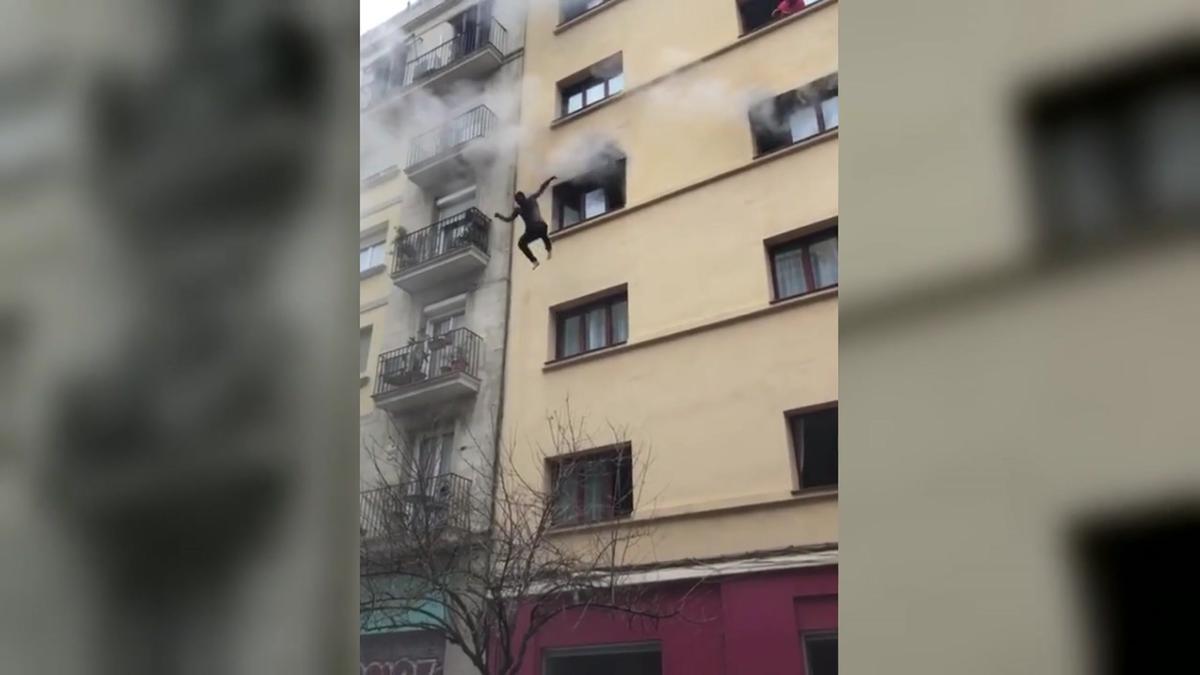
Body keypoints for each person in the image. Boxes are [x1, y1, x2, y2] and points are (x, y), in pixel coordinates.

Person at [495, 175, 557, 269]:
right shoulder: (519, 209)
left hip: (538, 226)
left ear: (523, 197)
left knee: (541, 232)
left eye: (519, 199)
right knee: (522, 243)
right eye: (517, 201)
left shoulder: (531, 199)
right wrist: (499, 216)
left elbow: (541, 188)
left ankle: (547, 250)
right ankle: (535, 260)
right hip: (533, 230)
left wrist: (549, 179)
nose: (519, 202)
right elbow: (509, 219)